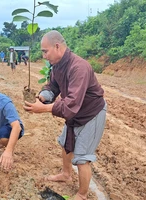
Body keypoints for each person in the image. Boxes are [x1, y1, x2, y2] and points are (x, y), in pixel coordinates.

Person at [23, 30, 107, 200]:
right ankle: (66, 174)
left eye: (45, 51)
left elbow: (71, 103)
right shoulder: (57, 66)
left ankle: (82, 195)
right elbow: (53, 86)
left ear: (57, 46)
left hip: (91, 114)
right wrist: (43, 96)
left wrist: (44, 109)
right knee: (65, 143)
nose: (44, 56)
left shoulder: (79, 67)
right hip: (75, 113)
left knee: (82, 157)